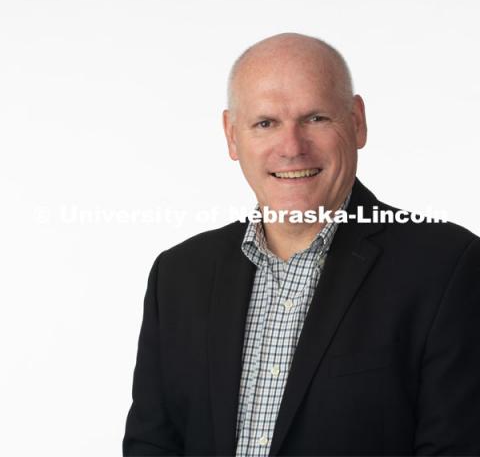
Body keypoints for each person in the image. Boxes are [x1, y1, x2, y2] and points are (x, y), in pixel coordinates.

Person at [123, 33, 480, 456]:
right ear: (232, 136)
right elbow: (152, 444)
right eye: (265, 123)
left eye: (315, 118)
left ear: (357, 121)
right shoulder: (178, 275)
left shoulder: (447, 266)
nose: (292, 147)